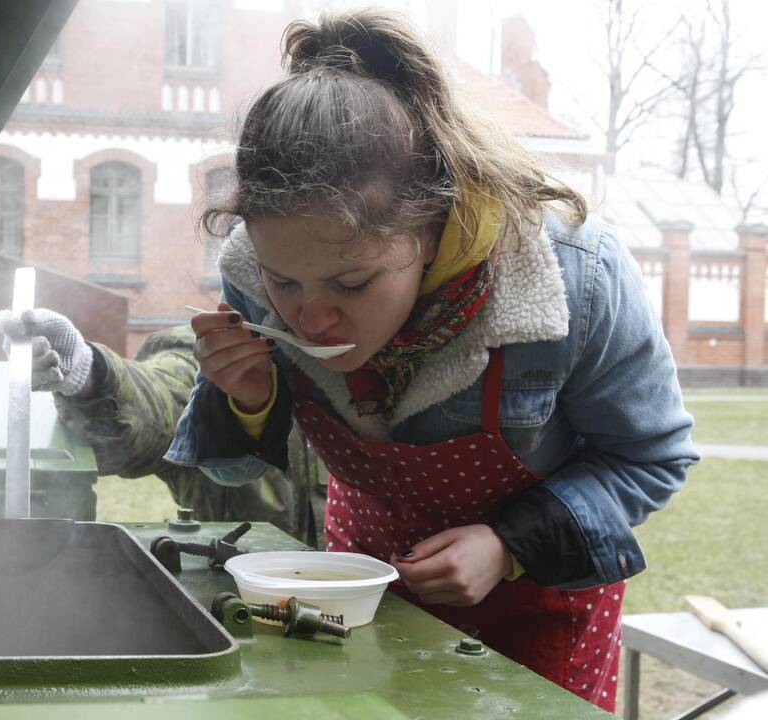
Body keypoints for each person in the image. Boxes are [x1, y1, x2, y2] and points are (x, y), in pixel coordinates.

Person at [164, 9, 698, 711]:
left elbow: (650, 458)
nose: (309, 317)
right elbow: (229, 469)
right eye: (283, 282)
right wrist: (250, 400)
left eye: (351, 283)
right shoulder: (255, 276)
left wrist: (508, 545)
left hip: (540, 610)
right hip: (365, 592)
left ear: (431, 229)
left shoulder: (571, 279)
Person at [0, 310, 326, 547]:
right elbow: (162, 402)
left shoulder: (373, 368)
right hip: (242, 611)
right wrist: (85, 372)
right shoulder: (218, 351)